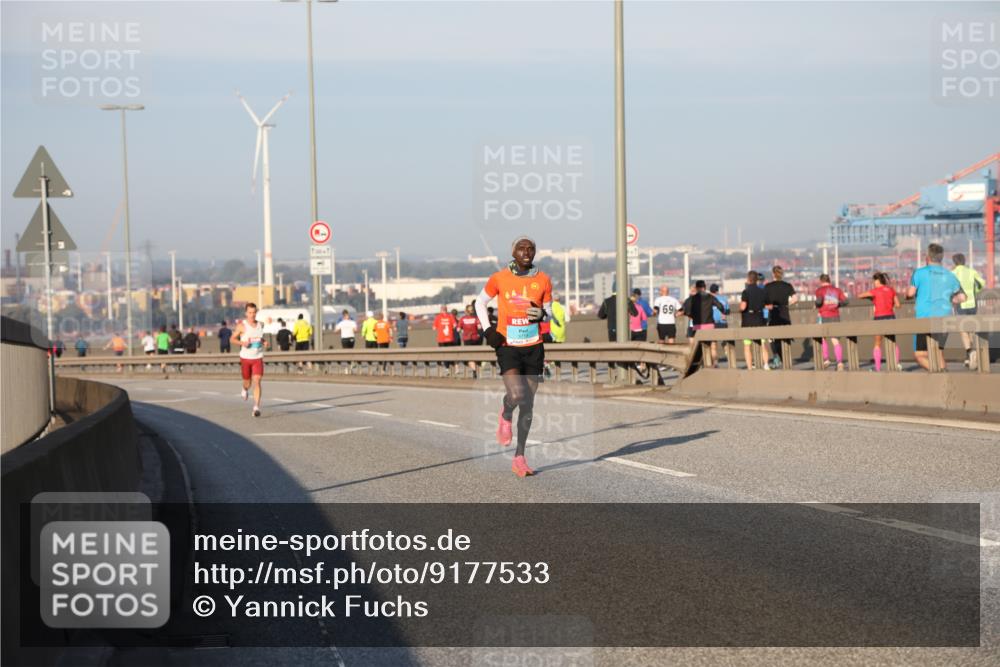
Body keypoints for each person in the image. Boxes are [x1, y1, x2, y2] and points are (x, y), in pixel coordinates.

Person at [475, 236, 553, 477]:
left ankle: (520, 456)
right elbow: (480, 302)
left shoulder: (543, 279)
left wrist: (541, 314)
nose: (526, 252)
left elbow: (549, 314)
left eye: (531, 249)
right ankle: (506, 413)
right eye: (522, 248)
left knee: (528, 403)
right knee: (516, 395)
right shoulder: (499, 278)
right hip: (507, 344)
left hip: (533, 346)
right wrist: (488, 330)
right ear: (513, 252)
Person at [907, 243, 965, 372]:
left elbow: (910, 293)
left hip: (924, 319)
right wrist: (951, 299)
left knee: (920, 355)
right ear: (942, 257)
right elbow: (962, 297)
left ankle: (939, 374)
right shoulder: (950, 275)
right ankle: (945, 380)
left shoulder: (919, 273)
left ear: (927, 257)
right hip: (945, 317)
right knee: (938, 352)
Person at [232, 302, 269, 417]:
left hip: (257, 358)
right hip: (246, 358)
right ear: (246, 313)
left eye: (254, 313)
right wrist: (242, 343)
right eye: (250, 313)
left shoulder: (261, 325)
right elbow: (232, 339)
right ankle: (244, 388)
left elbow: (259, 338)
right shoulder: (241, 326)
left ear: (256, 312)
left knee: (257, 381)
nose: (252, 315)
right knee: (247, 382)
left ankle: (256, 407)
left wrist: (264, 342)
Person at [859, 272, 900, 371]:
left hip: (879, 318)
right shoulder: (891, 290)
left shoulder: (875, 291)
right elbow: (898, 305)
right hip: (890, 317)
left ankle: (877, 367)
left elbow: (860, 296)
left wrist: (871, 298)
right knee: (893, 342)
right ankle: (897, 364)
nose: (874, 283)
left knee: (877, 343)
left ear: (877, 281)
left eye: (874, 281)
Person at [681, 280, 727, 366]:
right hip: (709, 325)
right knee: (712, 346)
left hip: (697, 326)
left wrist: (692, 315)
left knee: (698, 347)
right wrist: (724, 311)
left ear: (697, 288)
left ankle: (702, 364)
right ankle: (715, 364)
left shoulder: (692, 298)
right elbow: (720, 306)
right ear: (704, 287)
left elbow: (686, 311)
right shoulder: (710, 297)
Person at [951, 253, 985, 369]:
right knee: (970, 329)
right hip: (973, 304)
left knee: (962, 330)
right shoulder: (971, 271)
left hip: (961, 305)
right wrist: (976, 290)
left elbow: (949, 288)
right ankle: (969, 357)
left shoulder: (953, 273)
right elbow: (982, 283)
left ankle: (970, 353)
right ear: (964, 261)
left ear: (954, 262)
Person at [763, 266, 797, 368]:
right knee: (786, 336)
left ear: (773, 274)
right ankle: (786, 359)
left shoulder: (768, 286)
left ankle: (778, 357)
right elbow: (795, 299)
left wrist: (767, 306)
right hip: (784, 312)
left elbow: (764, 301)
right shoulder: (787, 285)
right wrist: (787, 304)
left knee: (773, 337)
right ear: (781, 274)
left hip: (773, 312)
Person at [814, 273, 848, 371]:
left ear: (821, 281)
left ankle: (826, 359)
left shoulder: (819, 290)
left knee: (823, 338)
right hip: (835, 316)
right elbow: (846, 301)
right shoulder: (837, 290)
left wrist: (815, 304)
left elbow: (819, 302)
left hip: (823, 316)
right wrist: (837, 304)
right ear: (829, 280)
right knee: (835, 340)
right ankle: (840, 362)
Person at [739, 271, 769, 370]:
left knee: (747, 345)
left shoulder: (745, 292)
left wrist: (740, 309)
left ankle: (750, 367)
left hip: (748, 320)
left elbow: (743, 307)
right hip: (760, 318)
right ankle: (766, 364)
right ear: (757, 279)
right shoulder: (762, 291)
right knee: (762, 343)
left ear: (748, 279)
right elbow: (769, 306)